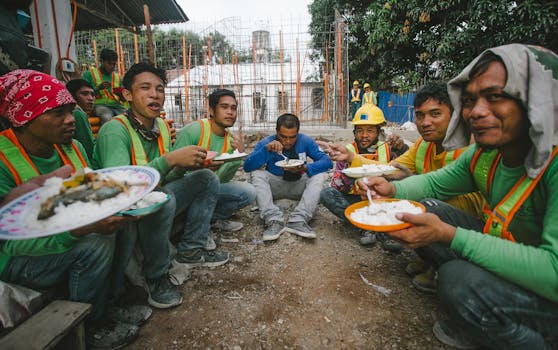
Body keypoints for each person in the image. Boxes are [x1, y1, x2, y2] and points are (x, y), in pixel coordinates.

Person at [357, 44, 558, 349]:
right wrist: (392, 189)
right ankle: (487, 312)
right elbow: (436, 185)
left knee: (457, 280)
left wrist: (452, 236)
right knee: (421, 208)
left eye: (495, 97)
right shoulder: (485, 153)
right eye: (469, 100)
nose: (475, 111)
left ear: (537, 100)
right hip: (511, 252)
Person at [0, 69, 141, 349]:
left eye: (70, 110)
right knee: (97, 243)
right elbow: (11, 243)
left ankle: (110, 304)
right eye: (57, 113)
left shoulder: (72, 147)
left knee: (121, 221)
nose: (70, 120)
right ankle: (90, 327)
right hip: (14, 256)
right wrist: (80, 231)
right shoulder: (4, 160)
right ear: (23, 118)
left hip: (61, 237)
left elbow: (88, 197)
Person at [326, 82, 486, 289]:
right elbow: (388, 168)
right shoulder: (423, 145)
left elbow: (438, 187)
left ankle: (444, 266)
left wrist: (399, 191)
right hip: (433, 203)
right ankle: (430, 257)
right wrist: (351, 157)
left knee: (420, 203)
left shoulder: (468, 148)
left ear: (454, 114)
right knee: (404, 199)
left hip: (470, 222)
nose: (425, 122)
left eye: (435, 114)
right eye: (420, 115)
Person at [93, 63, 229, 289]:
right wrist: (171, 160)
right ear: (127, 94)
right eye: (145, 88)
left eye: (160, 89)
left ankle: (191, 250)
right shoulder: (115, 130)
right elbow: (120, 189)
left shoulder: (161, 127)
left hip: (153, 197)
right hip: (121, 211)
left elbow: (165, 177)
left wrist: (190, 166)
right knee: (165, 199)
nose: (155, 95)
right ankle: (156, 276)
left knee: (205, 177)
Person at [172, 89, 256, 236]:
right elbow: (173, 171)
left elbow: (223, 179)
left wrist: (239, 155)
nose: (230, 112)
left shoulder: (231, 140)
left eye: (233, 108)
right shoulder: (193, 131)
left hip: (208, 189)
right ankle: (193, 229)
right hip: (184, 190)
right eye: (224, 107)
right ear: (211, 110)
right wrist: (200, 170)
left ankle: (210, 220)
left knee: (248, 192)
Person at [244, 113, 333, 241]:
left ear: (298, 133)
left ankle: (299, 219)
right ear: (276, 132)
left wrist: (306, 168)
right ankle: (273, 219)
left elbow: (327, 162)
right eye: (283, 137)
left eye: (292, 137)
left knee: (318, 175)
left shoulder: (306, 141)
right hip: (275, 187)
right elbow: (247, 166)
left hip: (298, 187)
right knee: (257, 173)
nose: (287, 141)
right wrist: (266, 150)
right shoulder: (267, 143)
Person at [319, 103, 394, 246]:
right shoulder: (347, 151)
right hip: (357, 200)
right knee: (326, 194)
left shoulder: (388, 149)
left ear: (378, 132)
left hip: (382, 199)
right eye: (360, 130)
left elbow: (399, 175)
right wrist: (352, 183)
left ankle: (386, 229)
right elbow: (337, 183)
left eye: (370, 130)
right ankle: (365, 226)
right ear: (354, 132)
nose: (364, 135)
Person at [82, 48, 126, 124]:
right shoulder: (89, 74)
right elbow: (83, 93)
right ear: (101, 61)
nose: (112, 66)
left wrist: (121, 95)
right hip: (99, 105)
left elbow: (124, 99)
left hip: (117, 106)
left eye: (114, 64)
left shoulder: (118, 77)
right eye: (109, 63)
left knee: (129, 117)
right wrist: (98, 88)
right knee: (107, 117)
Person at [65, 79, 96, 159]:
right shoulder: (77, 114)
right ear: (71, 95)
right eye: (84, 94)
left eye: (92, 94)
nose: (90, 98)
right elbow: (88, 147)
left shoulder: (70, 112)